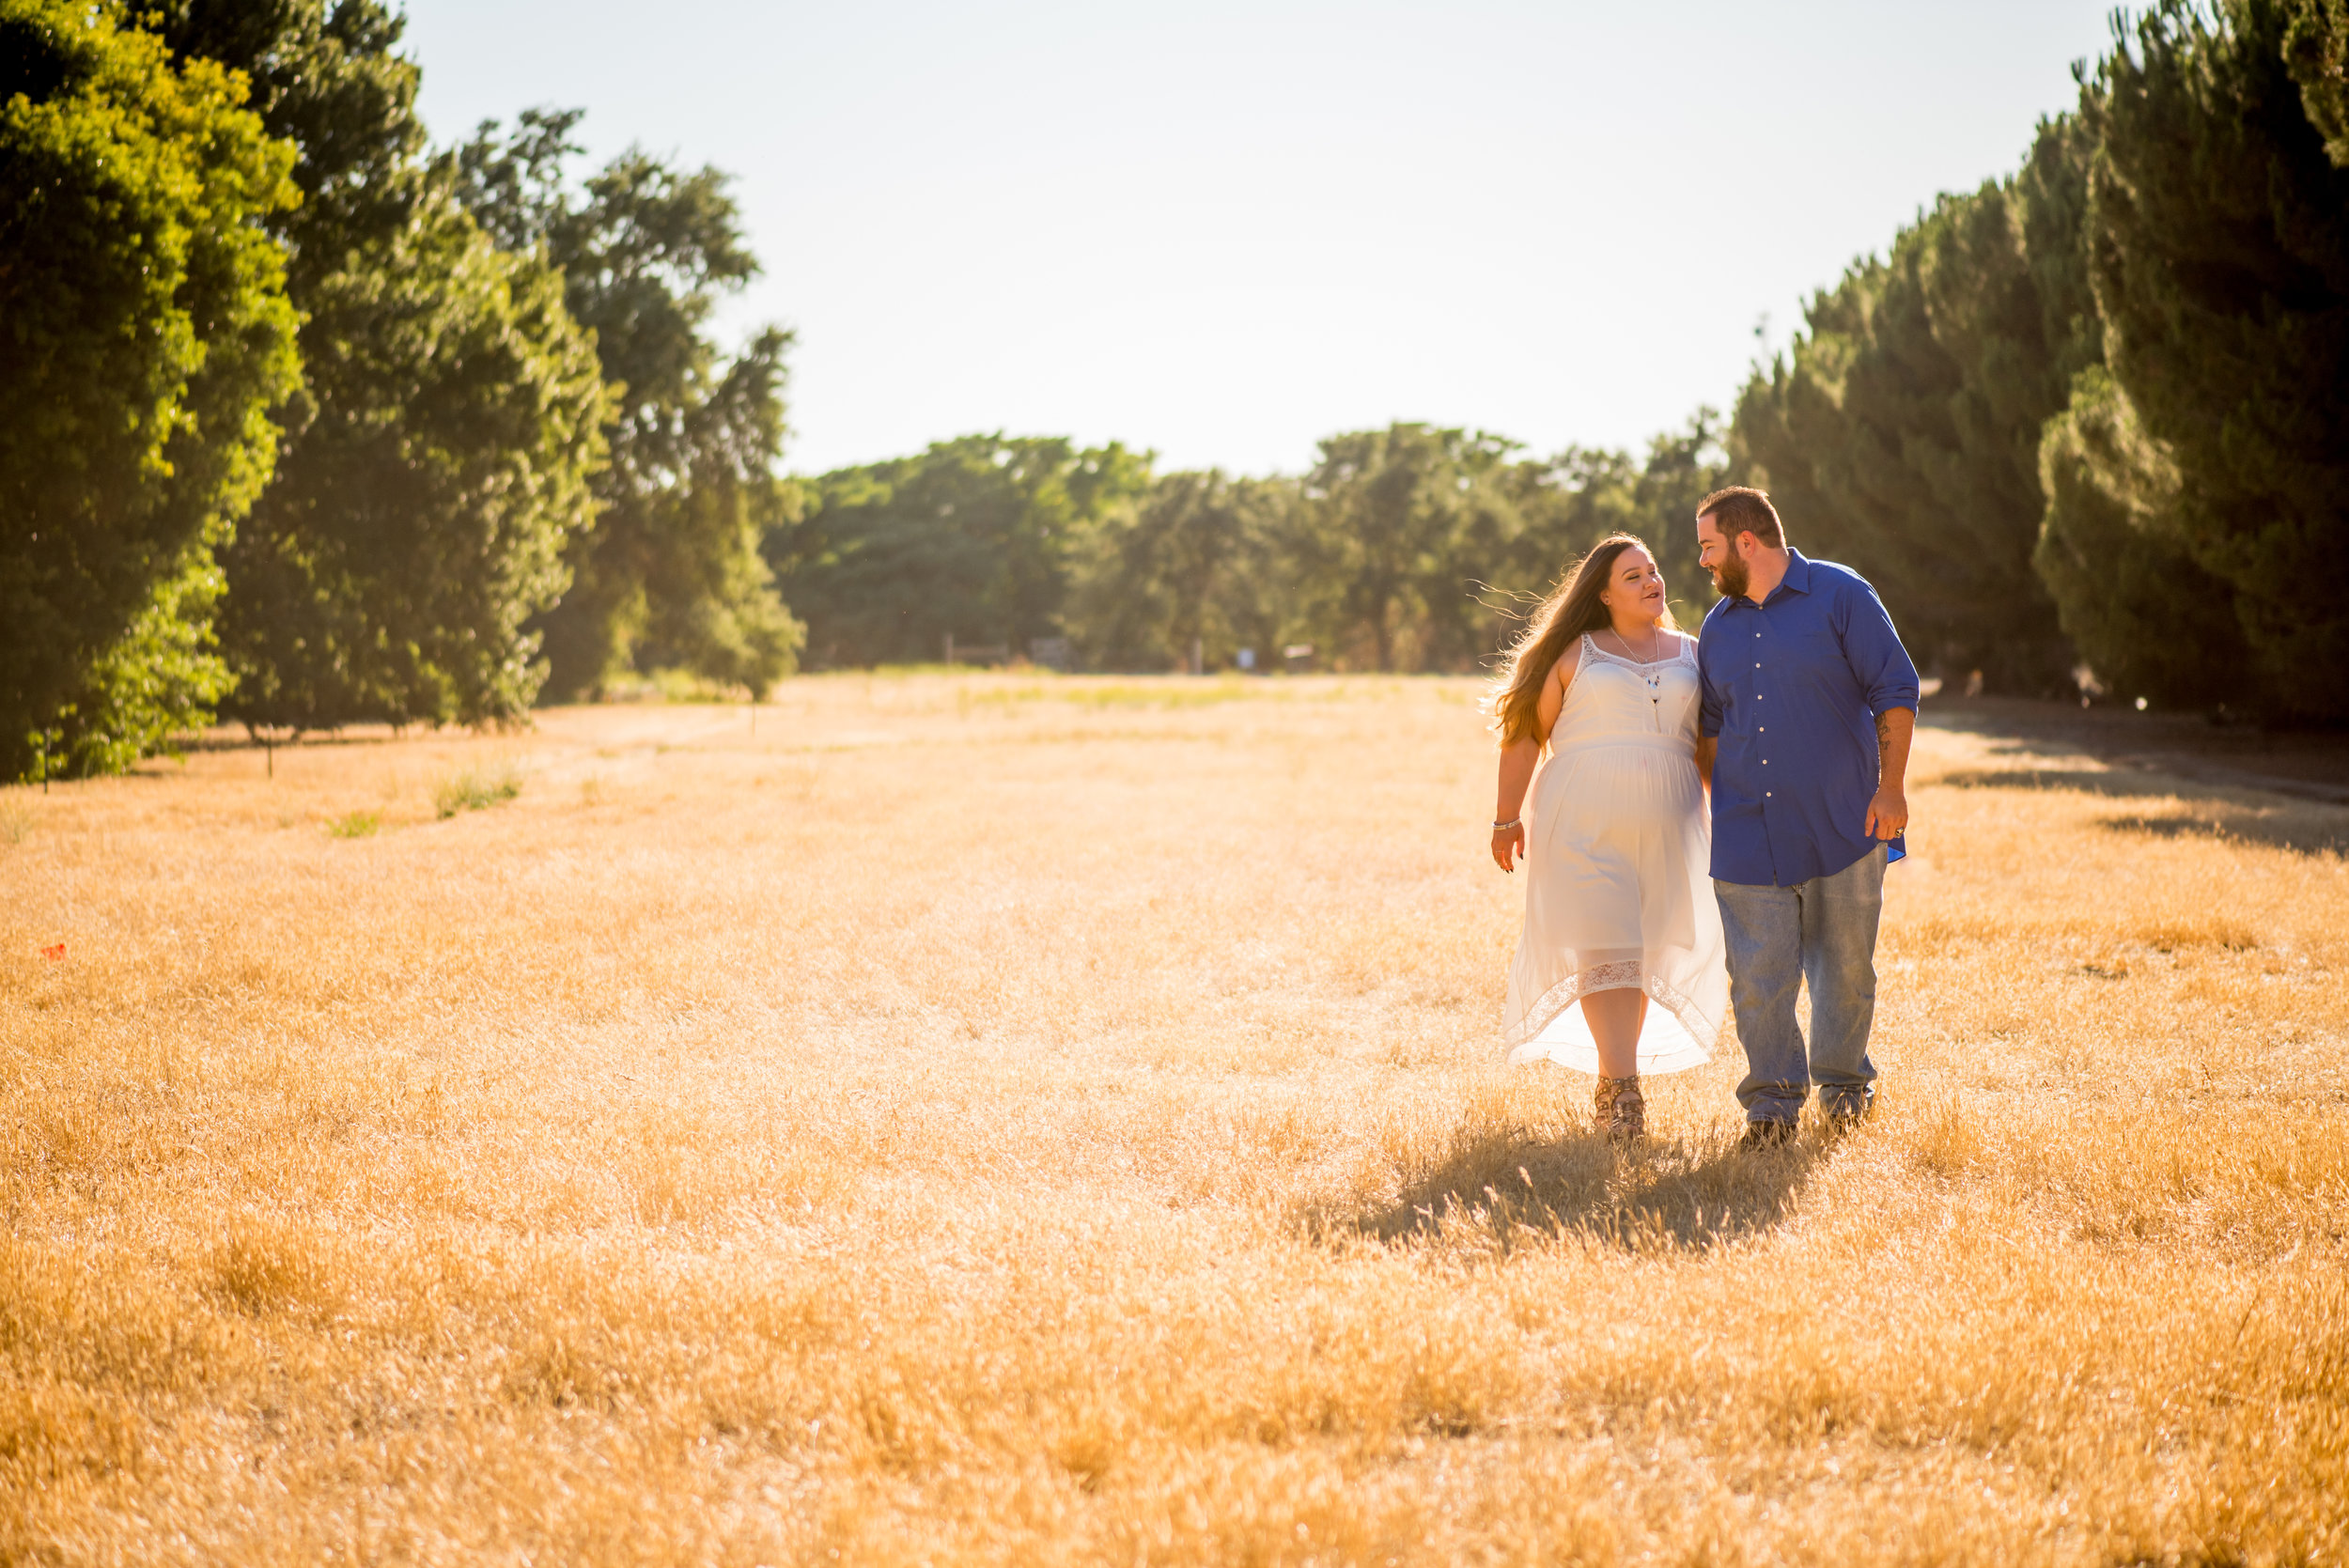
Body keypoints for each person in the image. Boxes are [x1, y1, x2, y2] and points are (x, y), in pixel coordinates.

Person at [1690, 488, 1919, 1150]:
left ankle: (1845, 1090)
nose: (1702, 561)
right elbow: (1709, 729)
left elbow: (1895, 691)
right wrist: (1727, 804)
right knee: (1758, 982)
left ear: (1745, 542)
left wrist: (1891, 788)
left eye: (1708, 545)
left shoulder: (1842, 595)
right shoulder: (1717, 627)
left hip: (1845, 828)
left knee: (1846, 971)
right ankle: (1771, 1107)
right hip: (1746, 839)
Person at [1489, 534, 1729, 1141]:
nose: (1652, 580)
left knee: (1640, 954)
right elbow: (1522, 735)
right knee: (1606, 946)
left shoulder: (1695, 653)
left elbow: (1710, 748)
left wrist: (1734, 816)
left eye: (1653, 570)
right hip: (1582, 824)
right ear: (1602, 592)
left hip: (1670, 826)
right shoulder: (1575, 654)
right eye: (1632, 575)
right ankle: (1624, 1092)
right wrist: (1506, 815)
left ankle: (1612, 1082)